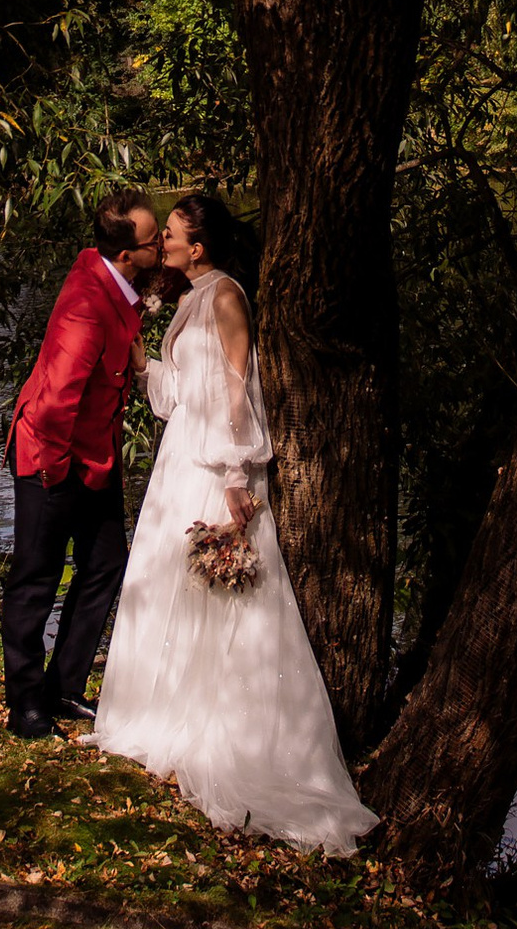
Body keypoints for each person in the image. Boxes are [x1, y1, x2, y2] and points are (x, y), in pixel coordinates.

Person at [92, 187, 374, 855]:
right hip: (180, 457)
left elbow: (238, 390)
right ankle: (159, 718)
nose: (163, 242)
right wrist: (138, 357)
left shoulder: (225, 296)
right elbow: (180, 397)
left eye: (173, 234)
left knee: (220, 598)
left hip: (215, 466)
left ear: (202, 244)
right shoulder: (191, 297)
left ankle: (231, 742)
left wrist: (239, 474)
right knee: (169, 586)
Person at [0, 190, 161, 738]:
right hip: (52, 455)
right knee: (37, 578)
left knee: (105, 564)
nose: (161, 243)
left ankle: (63, 685)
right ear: (126, 254)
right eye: (153, 239)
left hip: (95, 456)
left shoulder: (110, 277)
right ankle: (25, 704)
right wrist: (53, 473)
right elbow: (56, 400)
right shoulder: (89, 304)